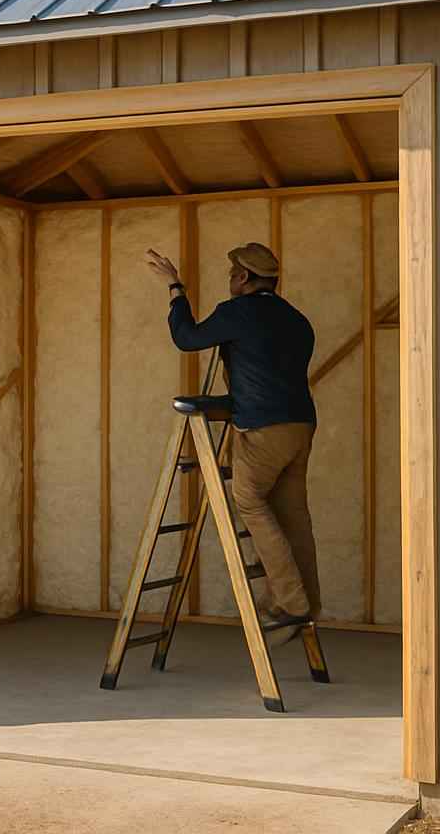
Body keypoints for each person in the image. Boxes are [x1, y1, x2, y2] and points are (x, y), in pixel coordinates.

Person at [144, 242, 321, 640]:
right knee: (294, 517)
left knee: (249, 501)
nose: (229, 281)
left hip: (263, 428)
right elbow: (269, 374)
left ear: (243, 278)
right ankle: (311, 606)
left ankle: (291, 605)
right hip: (302, 425)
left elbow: (187, 338)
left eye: (231, 275)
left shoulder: (238, 312)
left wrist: (175, 287)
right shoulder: (297, 320)